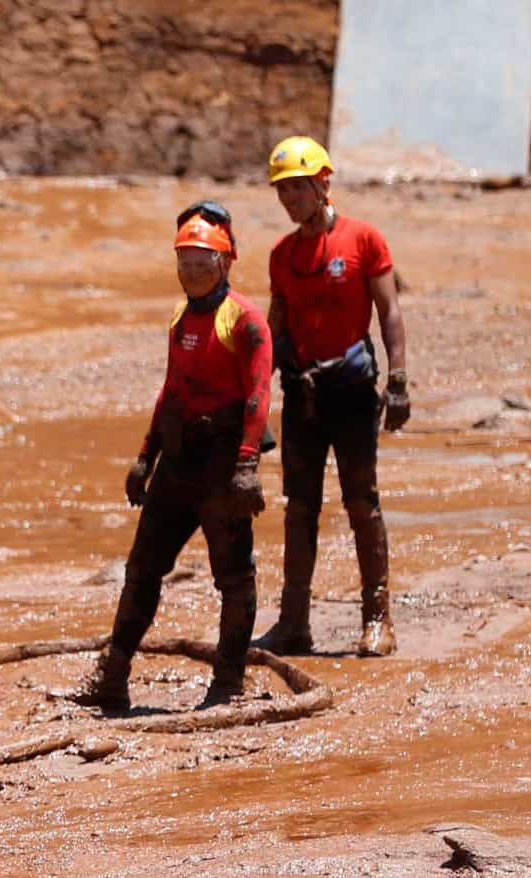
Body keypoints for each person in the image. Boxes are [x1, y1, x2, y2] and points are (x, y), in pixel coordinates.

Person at [71, 204, 272, 711]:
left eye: (203, 260)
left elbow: (258, 395)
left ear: (225, 262)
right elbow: (170, 391)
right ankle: (112, 677)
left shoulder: (246, 320)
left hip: (224, 465)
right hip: (179, 460)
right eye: (185, 259)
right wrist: (145, 456)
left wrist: (247, 466)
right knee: (142, 567)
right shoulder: (180, 317)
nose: (193, 269)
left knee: (233, 576)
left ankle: (228, 684)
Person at [256, 135, 410, 657]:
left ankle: (377, 618)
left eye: (298, 188)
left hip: (350, 390)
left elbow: (389, 312)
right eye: (283, 191)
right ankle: (293, 621)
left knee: (361, 502)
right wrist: (255, 400)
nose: (290, 199)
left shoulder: (364, 239)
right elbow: (276, 328)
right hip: (301, 392)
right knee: (299, 507)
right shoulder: (282, 255)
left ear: (323, 184)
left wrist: (398, 380)